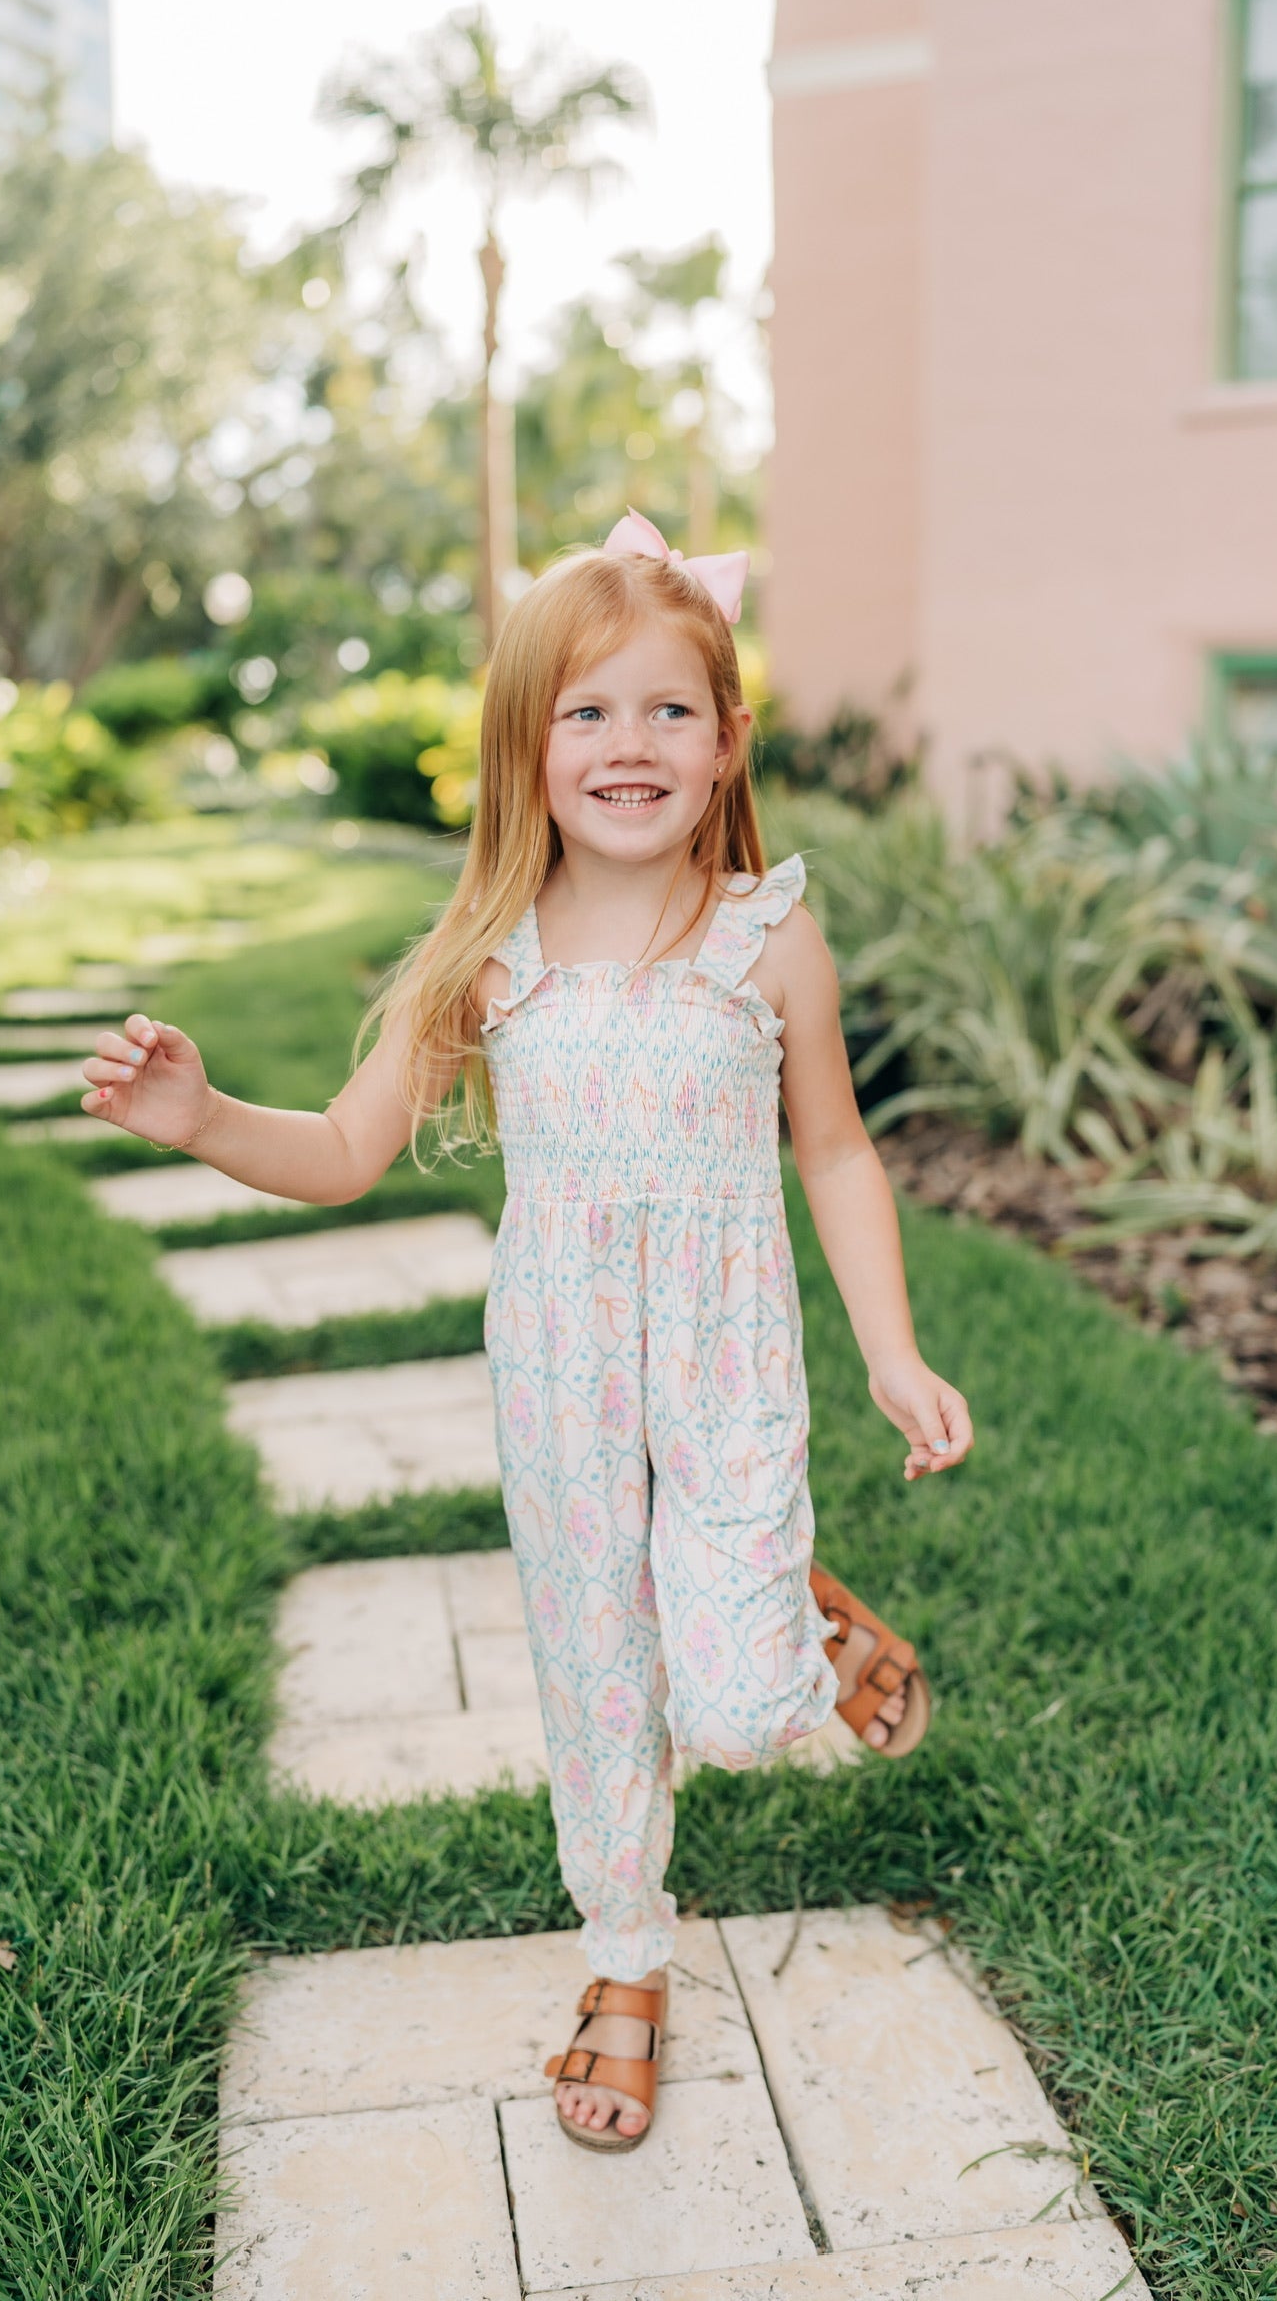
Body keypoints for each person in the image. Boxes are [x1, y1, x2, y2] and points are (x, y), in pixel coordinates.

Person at [80, 509, 974, 2155]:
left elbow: (835, 1150)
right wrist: (204, 1120)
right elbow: (347, 1150)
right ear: (525, 744)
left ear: (726, 746)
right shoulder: (486, 961)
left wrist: (891, 1353)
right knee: (596, 1677)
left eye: (666, 711)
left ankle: (803, 1632)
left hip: (722, 1368)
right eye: (585, 711)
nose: (627, 744)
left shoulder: (769, 945)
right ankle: (625, 1967)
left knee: (726, 1701)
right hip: (556, 1374)